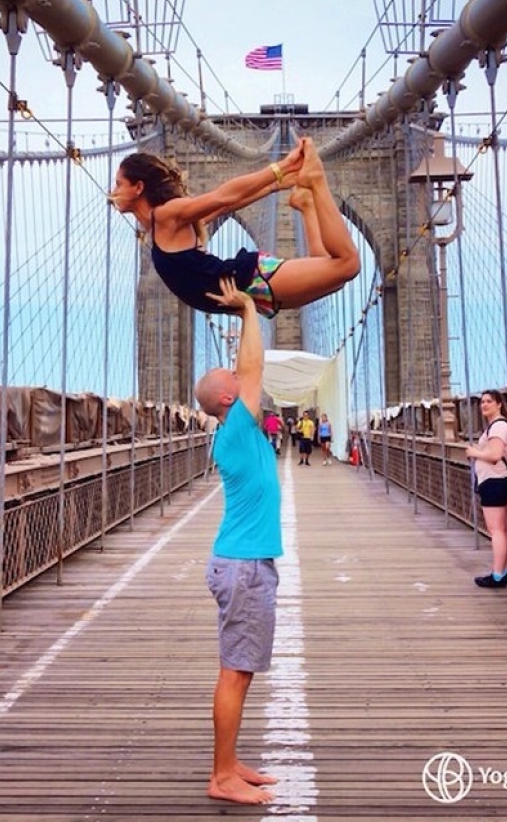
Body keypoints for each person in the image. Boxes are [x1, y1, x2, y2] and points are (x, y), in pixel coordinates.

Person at [193, 277, 282, 805]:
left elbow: (247, 371)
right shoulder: (238, 428)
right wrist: (249, 309)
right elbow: (253, 369)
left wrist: (248, 312)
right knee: (234, 674)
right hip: (244, 568)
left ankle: (231, 763)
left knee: (239, 672)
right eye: (234, 379)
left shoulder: (236, 432)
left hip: (244, 563)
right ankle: (220, 776)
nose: (241, 377)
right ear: (229, 397)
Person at [109, 137, 361, 319]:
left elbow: (223, 197)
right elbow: (225, 207)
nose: (113, 191)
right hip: (249, 292)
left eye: (119, 184)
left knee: (347, 265)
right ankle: (306, 204)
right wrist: (278, 185)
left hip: (250, 280)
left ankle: (316, 182)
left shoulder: (166, 215)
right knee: (330, 272)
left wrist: (281, 169)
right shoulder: (164, 226)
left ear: (138, 188)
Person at [465, 389, 507, 588]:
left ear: (499, 404)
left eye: (489, 401)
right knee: (504, 529)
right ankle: (504, 571)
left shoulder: (497, 427)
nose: (484, 405)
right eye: (482, 402)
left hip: (494, 481)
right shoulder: (502, 426)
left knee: (496, 530)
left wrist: (474, 452)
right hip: (502, 480)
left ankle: (497, 575)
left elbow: (495, 455)